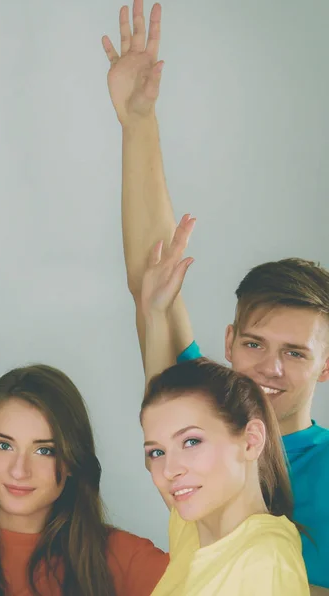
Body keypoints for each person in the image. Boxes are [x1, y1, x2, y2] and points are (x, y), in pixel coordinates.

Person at [102, 2, 329, 590]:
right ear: (228, 341)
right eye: (254, 342)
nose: (270, 368)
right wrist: (138, 123)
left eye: (296, 353)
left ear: (326, 364)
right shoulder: (197, 412)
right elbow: (152, 278)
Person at [0, 364, 169, 596]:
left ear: (72, 460)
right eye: (3, 445)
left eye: (44, 450)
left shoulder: (125, 557)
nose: (19, 471)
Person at [141, 358, 309, 595]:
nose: (169, 470)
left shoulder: (262, 563)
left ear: (251, 441)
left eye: (191, 441)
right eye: (157, 452)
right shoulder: (190, 525)